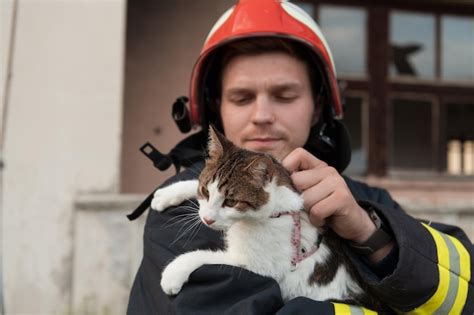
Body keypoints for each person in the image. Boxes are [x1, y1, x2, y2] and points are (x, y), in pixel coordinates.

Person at [127, 1, 473, 314]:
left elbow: (465, 294)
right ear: (215, 110)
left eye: (284, 95)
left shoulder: (367, 203)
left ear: (318, 107)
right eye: (242, 98)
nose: (262, 115)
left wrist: (374, 237)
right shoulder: (180, 208)